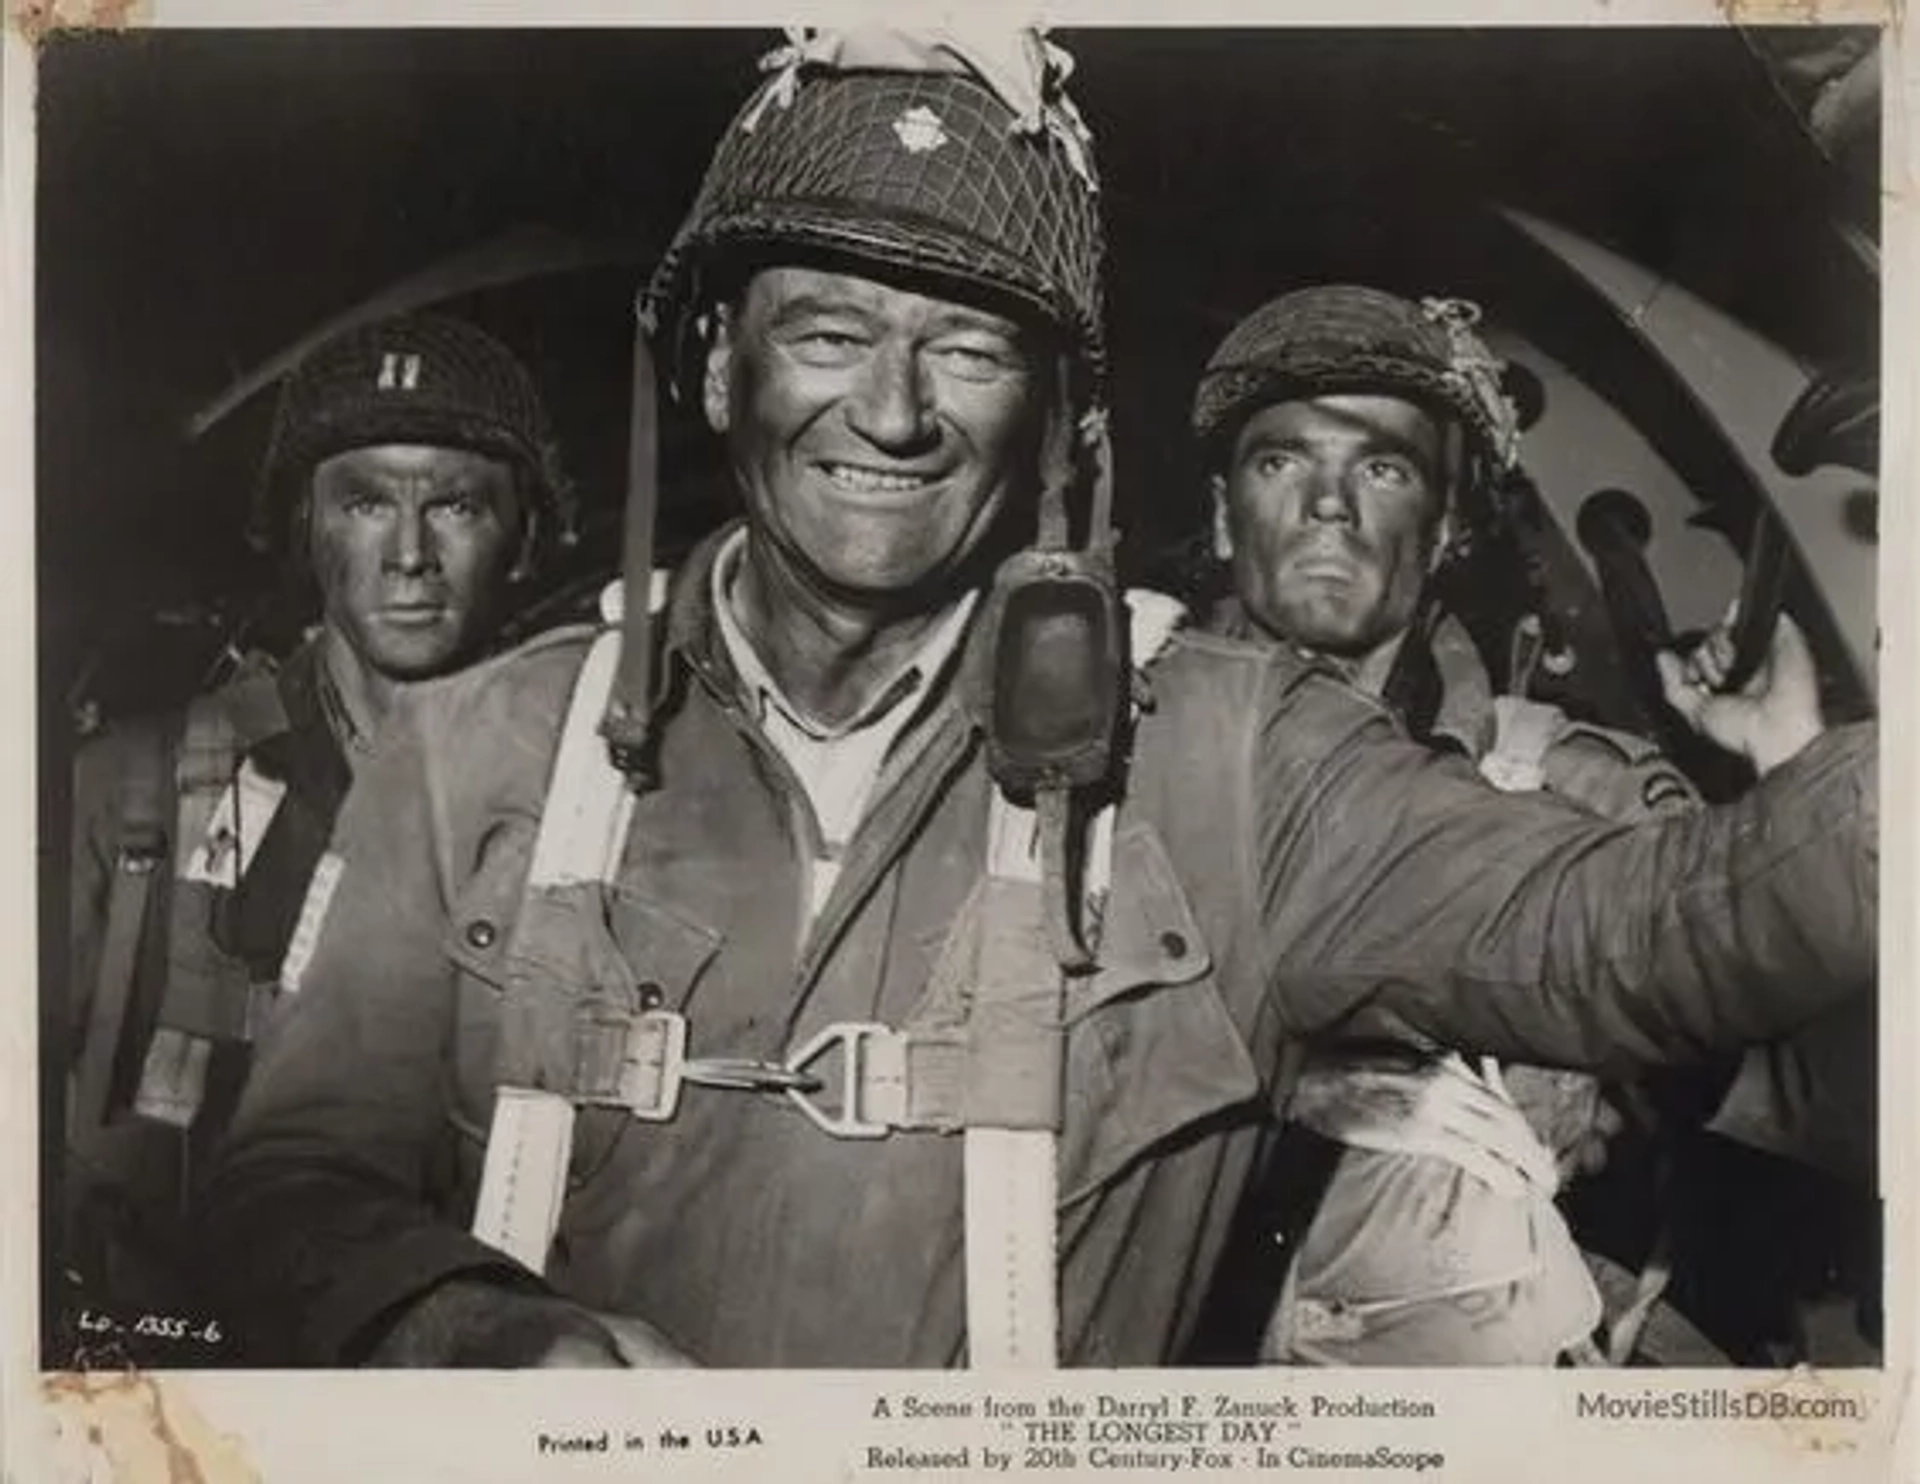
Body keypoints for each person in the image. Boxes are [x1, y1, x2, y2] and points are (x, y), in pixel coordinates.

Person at [197, 28, 1873, 1370]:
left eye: (973, 347)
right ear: (720, 363)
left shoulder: (1225, 749)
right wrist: (452, 1322)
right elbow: (287, 1182)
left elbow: (1640, 923)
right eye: (832, 330)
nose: (897, 409)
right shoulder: (480, 745)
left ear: (1058, 414)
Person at [1186, 283, 1768, 1365]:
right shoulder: (1104, 763)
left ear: (1447, 526)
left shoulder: (1567, 785)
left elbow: (1751, 1033)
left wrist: (1772, 750)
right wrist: (1277, 1086)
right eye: (1281, 461)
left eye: (1383, 466)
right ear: (1223, 515)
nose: (1328, 503)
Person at [60, 312, 568, 1356]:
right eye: (367, 500)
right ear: (307, 531)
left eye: (459, 503)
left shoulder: (597, 805)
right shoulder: (137, 789)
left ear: (522, 538)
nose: (411, 555)